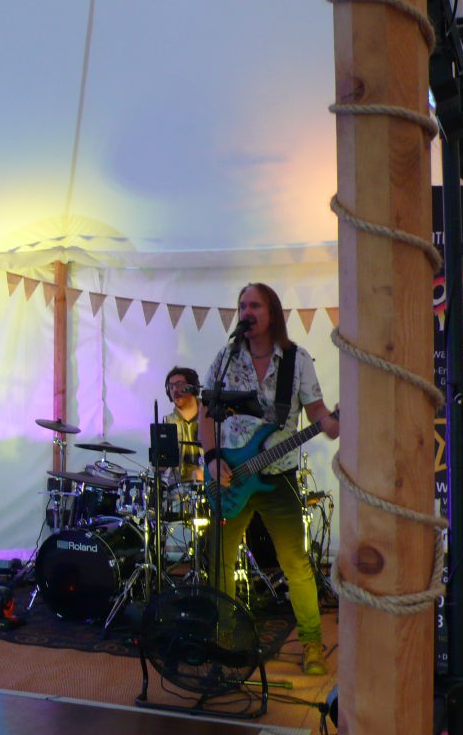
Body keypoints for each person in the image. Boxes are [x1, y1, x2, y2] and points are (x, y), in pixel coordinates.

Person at [199, 282, 339, 675]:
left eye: (255, 305)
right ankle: (225, 640)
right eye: (242, 304)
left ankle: (311, 643)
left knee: (296, 563)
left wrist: (332, 423)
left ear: (272, 312)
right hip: (230, 478)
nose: (247, 311)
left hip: (280, 478)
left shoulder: (297, 360)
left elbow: (318, 412)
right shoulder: (225, 358)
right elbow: (206, 415)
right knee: (219, 559)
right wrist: (212, 459)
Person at [162, 366, 203, 485]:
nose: (175, 389)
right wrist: (160, 464)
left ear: (192, 387)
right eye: (171, 386)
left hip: (212, 485)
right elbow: (160, 465)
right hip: (179, 490)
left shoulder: (211, 416)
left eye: (179, 384)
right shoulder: (168, 422)